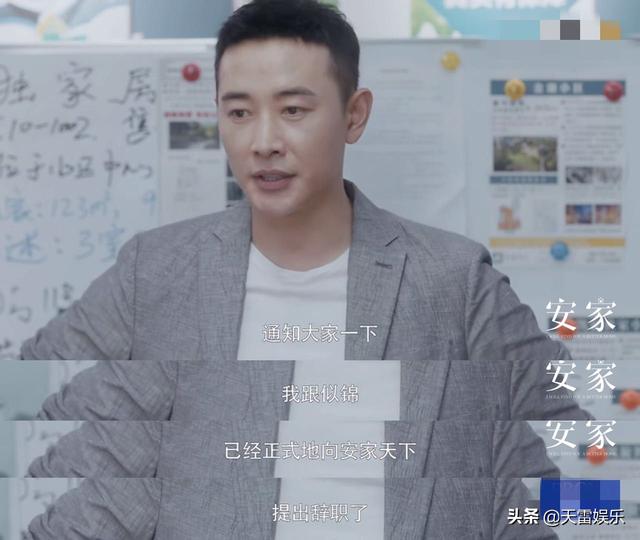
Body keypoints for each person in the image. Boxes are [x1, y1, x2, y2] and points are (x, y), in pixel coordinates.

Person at [21, 0, 588, 538]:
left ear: (354, 115)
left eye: (293, 110)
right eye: (239, 112)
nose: (264, 142)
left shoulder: (452, 281)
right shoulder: (156, 271)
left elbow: (580, 448)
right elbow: (30, 415)